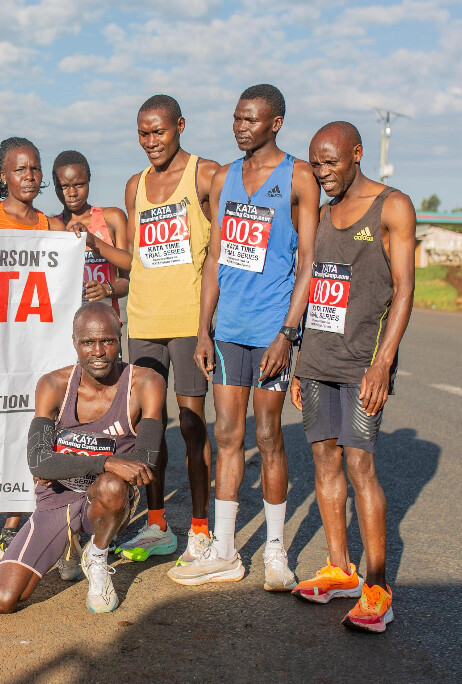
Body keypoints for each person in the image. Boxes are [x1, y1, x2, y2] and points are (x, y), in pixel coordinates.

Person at [168, 84, 320, 590]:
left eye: (250, 119)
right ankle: (226, 551)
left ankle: (275, 550)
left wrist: (288, 334)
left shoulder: (299, 176)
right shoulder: (224, 177)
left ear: (275, 123)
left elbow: (308, 262)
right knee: (228, 435)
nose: (240, 127)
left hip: (272, 329)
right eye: (236, 118)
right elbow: (214, 257)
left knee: (268, 435)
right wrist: (203, 330)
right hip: (229, 331)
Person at [289, 122, 415, 633]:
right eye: (316, 164)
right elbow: (314, 288)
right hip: (317, 360)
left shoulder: (392, 206)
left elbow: (404, 290)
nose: (322, 173)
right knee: (324, 459)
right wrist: (299, 361)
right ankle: (340, 570)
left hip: (364, 363)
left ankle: (377, 588)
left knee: (360, 465)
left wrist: (383, 362)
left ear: (357, 154)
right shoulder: (321, 214)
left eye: (331, 162)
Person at [0, 303, 165, 614]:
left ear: (120, 336)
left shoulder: (145, 382)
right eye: (88, 342)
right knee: (3, 601)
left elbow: (145, 462)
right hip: (58, 499)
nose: (98, 352)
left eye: (107, 341)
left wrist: (63, 465)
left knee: (112, 486)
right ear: (74, 342)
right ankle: (67, 546)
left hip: (107, 500)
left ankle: (96, 554)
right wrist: (106, 461)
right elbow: (39, 462)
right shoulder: (53, 384)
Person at [114, 95, 220, 567]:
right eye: (143, 133)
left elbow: (221, 251)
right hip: (143, 321)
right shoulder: (135, 186)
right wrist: (94, 247)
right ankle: (157, 525)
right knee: (148, 429)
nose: (151, 141)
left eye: (159, 131)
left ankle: (199, 529)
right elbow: (135, 258)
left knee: (193, 427)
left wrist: (207, 325)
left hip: (188, 322)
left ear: (180, 125)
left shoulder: (206, 174)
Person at [0, 137, 66, 563]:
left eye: (35, 168)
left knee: (26, 429)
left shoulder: (51, 227)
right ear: (3, 174)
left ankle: (12, 524)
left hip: (31, 348)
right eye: (20, 169)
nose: (29, 176)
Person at [51, 150, 129, 318]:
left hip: (106, 322)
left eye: (79, 184)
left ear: (89, 180)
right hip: (65, 324)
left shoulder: (112, 218)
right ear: (55, 185)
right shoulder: (51, 227)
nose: (72, 193)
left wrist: (107, 289)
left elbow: (128, 275)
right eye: (64, 187)